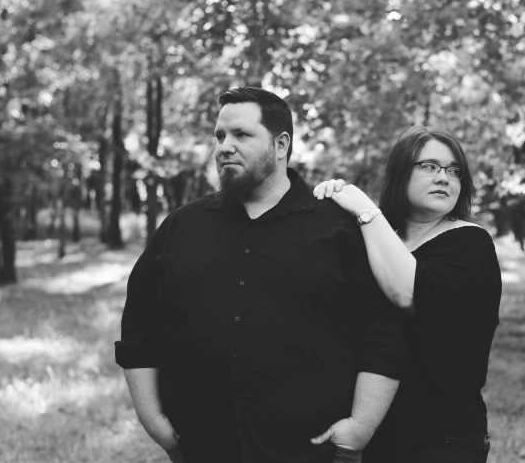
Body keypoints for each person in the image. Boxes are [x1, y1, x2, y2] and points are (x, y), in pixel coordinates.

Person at [115, 87, 406, 463]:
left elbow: (384, 330)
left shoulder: (337, 228)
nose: (224, 147)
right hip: (203, 446)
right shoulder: (183, 226)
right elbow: (140, 321)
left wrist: (362, 426)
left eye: (241, 135)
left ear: (281, 144)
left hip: (310, 450)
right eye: (220, 136)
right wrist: (152, 418)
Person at [312, 126, 502, 463]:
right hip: (376, 434)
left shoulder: (470, 243)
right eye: (429, 166)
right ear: (400, 173)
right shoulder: (377, 239)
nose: (444, 177)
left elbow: (409, 294)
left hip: (442, 438)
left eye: (454, 170)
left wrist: (365, 209)